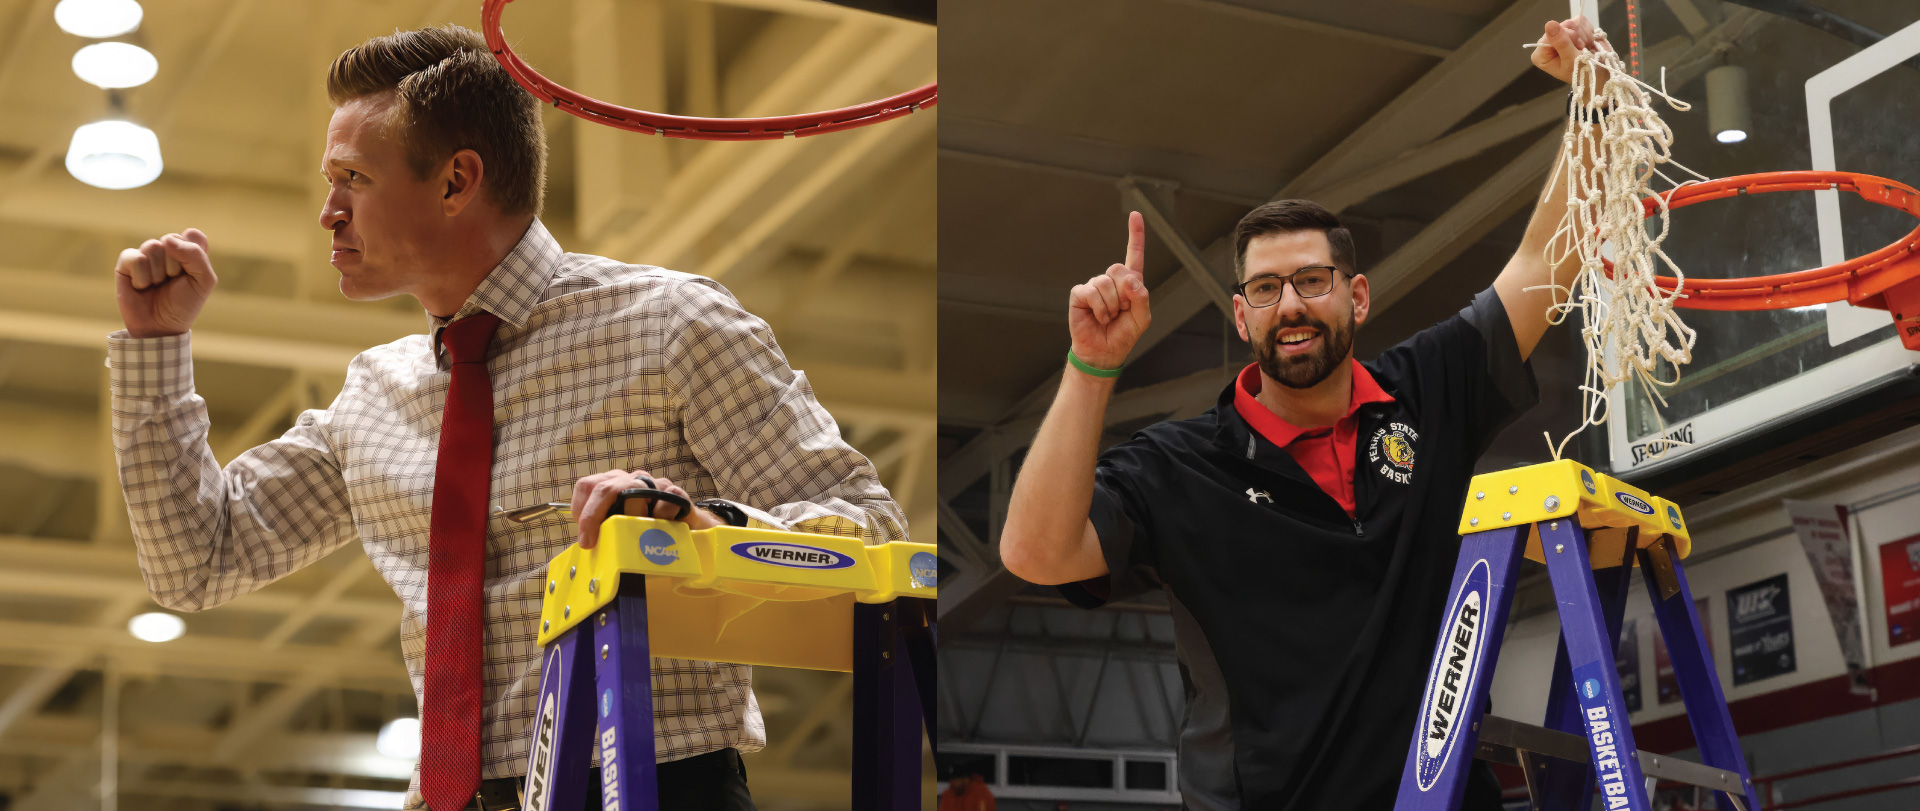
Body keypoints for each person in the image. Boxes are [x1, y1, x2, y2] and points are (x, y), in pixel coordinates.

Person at [105, 25, 903, 811]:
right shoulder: (372, 396)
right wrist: (155, 349)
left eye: (353, 177)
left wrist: (699, 529)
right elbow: (195, 563)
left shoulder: (671, 324)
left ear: (457, 182)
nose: (329, 212)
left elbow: (871, 535)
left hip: (652, 783)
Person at [997, 16, 1608, 811]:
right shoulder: (1179, 466)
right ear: (1242, 316)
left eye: (1312, 280)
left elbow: (1544, 262)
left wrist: (1593, 107)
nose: (1289, 304)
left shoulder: (1426, 389)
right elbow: (1034, 554)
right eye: (1264, 289)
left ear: (1356, 295)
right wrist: (1092, 365)